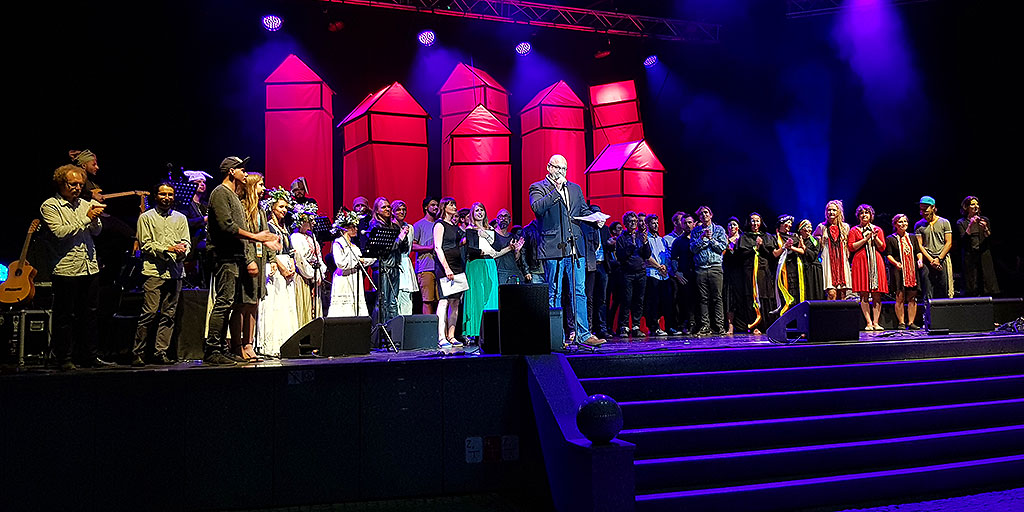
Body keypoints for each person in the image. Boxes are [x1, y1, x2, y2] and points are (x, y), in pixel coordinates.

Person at [204, 156, 281, 366]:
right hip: (224, 257)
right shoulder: (220, 193)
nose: (245, 173)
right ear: (231, 172)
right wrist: (256, 237)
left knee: (230, 303)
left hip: (234, 257)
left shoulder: (233, 196)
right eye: (242, 170)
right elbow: (226, 226)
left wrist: (260, 240)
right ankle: (212, 349)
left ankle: (222, 348)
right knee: (223, 303)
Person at [528, 154, 606, 347]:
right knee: (554, 292)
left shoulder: (575, 188)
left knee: (579, 291)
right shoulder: (538, 187)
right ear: (549, 167)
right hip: (553, 247)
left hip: (574, 248)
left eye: (564, 169)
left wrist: (596, 219)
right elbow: (537, 208)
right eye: (557, 168)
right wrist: (556, 190)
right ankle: (556, 337)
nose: (561, 172)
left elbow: (583, 211)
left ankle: (583, 334)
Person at [40, 165, 112, 371]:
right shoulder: (50, 206)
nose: (77, 188)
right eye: (73, 184)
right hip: (66, 268)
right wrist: (87, 217)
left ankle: (89, 356)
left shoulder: (85, 204)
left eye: (80, 184)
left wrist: (95, 220)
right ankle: (64, 358)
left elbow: (96, 232)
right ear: (61, 183)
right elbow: (60, 233)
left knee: (90, 313)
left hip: (89, 266)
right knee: (65, 315)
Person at [131, 182, 190, 366]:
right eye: (163, 194)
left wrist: (183, 251)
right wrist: (169, 249)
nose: (167, 198)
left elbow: (186, 242)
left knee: (168, 314)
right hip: (154, 271)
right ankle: (138, 352)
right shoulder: (146, 217)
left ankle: (160, 352)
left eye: (170, 194)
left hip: (175, 271)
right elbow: (146, 244)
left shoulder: (180, 218)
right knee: (149, 312)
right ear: (156, 196)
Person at [230, 173, 271, 362]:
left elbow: (265, 234)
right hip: (247, 259)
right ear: (251, 187)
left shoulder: (260, 210)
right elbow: (242, 238)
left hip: (259, 259)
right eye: (260, 185)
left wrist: (271, 255)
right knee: (242, 304)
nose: (263, 188)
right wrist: (248, 260)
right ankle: (237, 345)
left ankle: (249, 343)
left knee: (254, 303)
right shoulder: (242, 207)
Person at [257, 188, 299, 357]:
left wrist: (293, 265)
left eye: (286, 207)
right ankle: (272, 344)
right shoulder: (269, 226)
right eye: (281, 207)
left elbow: (289, 250)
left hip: (287, 269)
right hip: (275, 268)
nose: (284, 210)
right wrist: (282, 267)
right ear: (272, 207)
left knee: (286, 306)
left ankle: (287, 343)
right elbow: (270, 250)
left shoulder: (284, 227)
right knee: (275, 305)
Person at [463, 202, 512, 342]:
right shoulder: (470, 229)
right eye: (477, 210)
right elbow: (471, 250)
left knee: (491, 297)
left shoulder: (490, 229)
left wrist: (486, 235)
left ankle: (490, 329)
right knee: (477, 296)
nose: (480, 213)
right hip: (476, 264)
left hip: (490, 264)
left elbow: (497, 247)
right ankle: (475, 330)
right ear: (472, 214)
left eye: (482, 210)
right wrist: (483, 251)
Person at [367, 197, 409, 328]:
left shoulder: (394, 226)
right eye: (383, 207)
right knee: (383, 301)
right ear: (377, 211)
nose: (387, 209)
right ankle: (379, 331)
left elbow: (404, 249)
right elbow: (386, 248)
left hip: (394, 267)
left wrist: (404, 236)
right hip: (383, 268)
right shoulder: (375, 226)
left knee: (393, 302)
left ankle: (392, 331)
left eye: (389, 207)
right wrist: (400, 238)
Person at [434, 197, 467, 350]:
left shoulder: (454, 226)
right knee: (444, 301)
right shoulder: (439, 224)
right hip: (445, 266)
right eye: (451, 204)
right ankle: (441, 337)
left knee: (455, 302)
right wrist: (447, 268)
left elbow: (460, 242)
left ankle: (451, 335)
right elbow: (437, 247)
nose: (454, 207)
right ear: (444, 207)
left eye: (455, 204)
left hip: (457, 265)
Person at [329, 210, 376, 317]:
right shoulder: (338, 243)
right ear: (345, 228)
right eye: (353, 227)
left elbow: (363, 260)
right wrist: (358, 261)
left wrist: (372, 256)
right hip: (344, 278)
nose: (356, 229)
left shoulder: (354, 246)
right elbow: (341, 263)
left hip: (355, 277)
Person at [690, 206, 729, 336]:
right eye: (701, 214)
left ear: (711, 215)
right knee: (703, 298)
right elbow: (693, 249)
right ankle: (705, 326)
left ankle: (719, 326)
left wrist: (711, 239)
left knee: (717, 298)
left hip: (715, 267)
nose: (704, 215)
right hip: (701, 269)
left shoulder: (719, 230)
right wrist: (702, 238)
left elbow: (722, 247)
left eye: (706, 212)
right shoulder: (695, 231)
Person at [736, 212, 777, 334]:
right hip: (750, 271)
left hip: (763, 270)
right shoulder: (744, 237)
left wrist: (761, 246)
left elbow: (770, 255)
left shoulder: (767, 236)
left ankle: (766, 325)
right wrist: (755, 248)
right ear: (749, 222)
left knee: (765, 296)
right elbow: (741, 255)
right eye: (753, 220)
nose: (755, 223)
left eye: (757, 220)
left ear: (761, 222)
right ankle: (754, 325)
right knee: (751, 296)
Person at [849, 204, 888, 331]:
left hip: (876, 262)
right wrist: (865, 239)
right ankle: (868, 322)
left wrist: (875, 238)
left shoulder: (877, 229)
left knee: (877, 294)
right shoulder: (854, 230)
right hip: (861, 262)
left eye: (867, 212)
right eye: (861, 213)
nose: (864, 215)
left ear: (871, 215)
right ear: (858, 216)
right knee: (864, 293)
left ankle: (876, 322)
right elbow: (852, 247)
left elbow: (882, 247)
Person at [614, 211, 651, 338]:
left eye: (635, 221)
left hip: (641, 272)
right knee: (626, 300)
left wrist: (645, 243)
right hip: (627, 273)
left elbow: (647, 255)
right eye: (630, 221)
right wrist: (632, 245)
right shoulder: (621, 238)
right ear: (625, 223)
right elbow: (621, 256)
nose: (633, 224)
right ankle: (624, 327)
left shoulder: (641, 236)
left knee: (639, 300)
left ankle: (636, 326)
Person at [292, 201, 327, 327]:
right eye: (311, 220)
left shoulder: (312, 237)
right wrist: (312, 275)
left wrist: (320, 273)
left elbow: (319, 257)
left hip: (314, 276)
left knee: (315, 307)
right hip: (303, 277)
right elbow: (300, 260)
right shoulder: (295, 237)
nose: (314, 223)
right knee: (305, 305)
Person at [957, 196, 999, 297]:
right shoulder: (961, 222)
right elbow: (963, 240)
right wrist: (970, 225)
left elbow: (990, 239)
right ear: (966, 207)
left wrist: (985, 228)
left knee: (986, 281)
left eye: (977, 204)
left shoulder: (985, 220)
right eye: (972, 204)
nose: (976, 206)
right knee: (971, 283)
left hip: (984, 255)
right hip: (970, 256)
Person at [886, 214, 922, 330]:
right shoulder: (891, 239)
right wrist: (896, 263)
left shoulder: (912, 237)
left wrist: (920, 260)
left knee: (912, 297)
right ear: (895, 224)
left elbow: (918, 251)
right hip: (899, 270)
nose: (903, 224)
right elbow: (889, 255)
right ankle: (901, 322)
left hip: (911, 270)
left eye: (905, 221)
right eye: (900, 222)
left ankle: (911, 322)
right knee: (899, 296)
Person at [915, 196, 953, 301]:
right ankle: (927, 310)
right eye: (921, 209)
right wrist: (931, 260)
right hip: (928, 260)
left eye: (925, 209)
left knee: (944, 288)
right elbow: (920, 245)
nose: (923, 212)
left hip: (942, 259)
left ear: (933, 207)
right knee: (927, 289)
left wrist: (939, 259)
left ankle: (945, 309)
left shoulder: (944, 222)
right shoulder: (918, 225)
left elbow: (948, 243)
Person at [583, 204, 612, 339]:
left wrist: (611, 244)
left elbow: (608, 247)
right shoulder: (586, 228)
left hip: (602, 265)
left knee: (602, 299)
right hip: (590, 266)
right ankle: (588, 328)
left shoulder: (605, 229)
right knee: (589, 297)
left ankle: (602, 328)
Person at [813, 200, 853, 300]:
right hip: (828, 262)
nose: (831, 212)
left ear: (839, 212)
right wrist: (819, 240)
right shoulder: (821, 227)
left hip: (842, 262)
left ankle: (842, 311)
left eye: (834, 210)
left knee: (842, 294)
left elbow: (849, 244)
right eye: (829, 210)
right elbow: (812, 241)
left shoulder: (845, 227)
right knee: (831, 293)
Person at [665, 212, 693, 335]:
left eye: (689, 222)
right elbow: (673, 258)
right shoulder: (677, 241)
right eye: (685, 223)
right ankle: (685, 324)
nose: (687, 225)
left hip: (699, 272)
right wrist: (676, 272)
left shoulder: (697, 237)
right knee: (685, 301)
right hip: (684, 275)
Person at [643, 214, 672, 336]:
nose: (655, 225)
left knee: (664, 302)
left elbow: (666, 255)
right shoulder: (646, 239)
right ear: (647, 225)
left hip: (663, 275)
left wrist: (665, 266)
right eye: (653, 223)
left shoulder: (662, 239)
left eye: (657, 223)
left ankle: (664, 326)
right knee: (653, 302)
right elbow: (647, 257)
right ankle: (653, 326)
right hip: (652, 274)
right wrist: (658, 267)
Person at [181, 170, 211, 287]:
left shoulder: (205, 204)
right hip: (193, 239)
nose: (202, 184)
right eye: (198, 182)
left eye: (203, 182)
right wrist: (203, 220)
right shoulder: (185, 205)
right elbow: (185, 222)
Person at [412, 197, 440, 314]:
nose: (435, 207)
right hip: (426, 267)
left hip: (440, 267)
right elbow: (412, 246)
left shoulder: (440, 224)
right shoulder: (419, 225)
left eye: (437, 205)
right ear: (425, 207)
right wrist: (429, 247)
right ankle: (428, 324)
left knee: (441, 300)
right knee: (427, 300)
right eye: (432, 205)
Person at [392, 199, 419, 316]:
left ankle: (406, 321)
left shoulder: (410, 228)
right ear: (393, 212)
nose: (402, 212)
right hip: (395, 262)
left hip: (405, 262)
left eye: (404, 210)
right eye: (398, 210)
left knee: (407, 296)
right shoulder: (390, 227)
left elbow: (409, 248)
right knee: (396, 295)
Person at [771, 215, 800, 315]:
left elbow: (801, 250)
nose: (790, 225)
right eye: (787, 223)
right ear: (781, 224)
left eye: (791, 223)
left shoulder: (795, 237)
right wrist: (784, 247)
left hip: (793, 270)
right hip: (781, 271)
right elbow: (775, 254)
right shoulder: (775, 238)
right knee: (782, 295)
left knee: (794, 295)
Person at [492, 208, 526, 287]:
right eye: (501, 216)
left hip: (512, 273)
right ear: (497, 220)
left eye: (506, 216)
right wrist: (509, 248)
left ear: (510, 220)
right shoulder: (491, 235)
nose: (503, 219)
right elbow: (491, 254)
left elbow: (516, 258)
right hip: (497, 272)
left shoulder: (514, 237)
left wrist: (517, 251)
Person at [723, 217, 744, 335]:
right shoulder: (724, 239)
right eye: (730, 225)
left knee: (741, 298)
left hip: (741, 272)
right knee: (729, 299)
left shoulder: (742, 239)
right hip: (728, 271)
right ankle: (730, 325)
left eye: (734, 224)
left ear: (738, 227)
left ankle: (743, 324)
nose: (732, 227)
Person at [795, 219, 824, 301]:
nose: (809, 229)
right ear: (801, 230)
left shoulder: (815, 240)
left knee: (816, 292)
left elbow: (813, 255)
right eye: (807, 227)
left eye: (810, 227)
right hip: (803, 269)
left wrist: (804, 247)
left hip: (815, 269)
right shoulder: (797, 240)